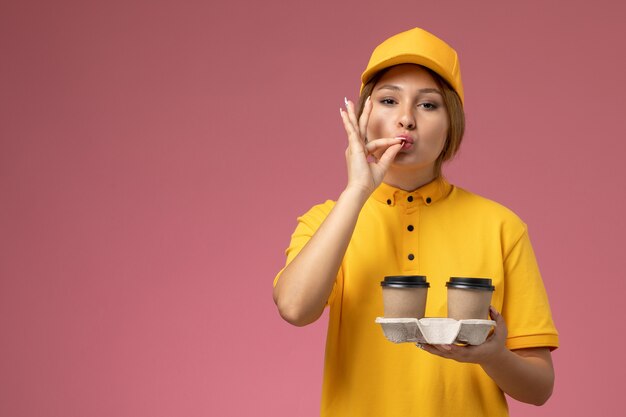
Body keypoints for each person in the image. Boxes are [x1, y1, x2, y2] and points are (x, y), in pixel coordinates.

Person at [272, 27, 558, 416]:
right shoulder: (328, 220)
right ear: (363, 115)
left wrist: (491, 357)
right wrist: (357, 191)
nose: (405, 119)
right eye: (389, 100)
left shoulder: (501, 226)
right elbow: (294, 308)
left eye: (428, 105)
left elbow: (539, 387)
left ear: (452, 123)